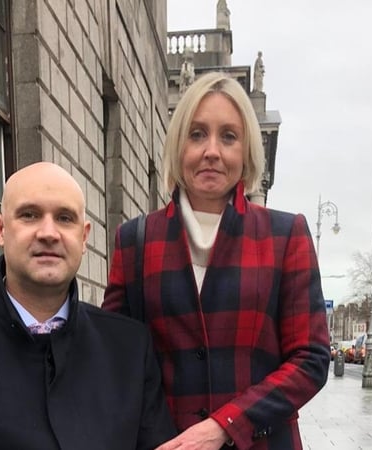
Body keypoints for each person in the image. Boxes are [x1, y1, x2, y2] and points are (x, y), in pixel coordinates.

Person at [102, 72, 330, 450]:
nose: (212, 151)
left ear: (246, 151)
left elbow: (311, 359)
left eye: (228, 136)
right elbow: (116, 358)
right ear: (178, 146)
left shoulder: (285, 235)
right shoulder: (135, 241)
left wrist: (225, 425)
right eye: (197, 134)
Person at [0, 162, 176, 449]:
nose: (48, 232)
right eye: (29, 215)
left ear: (83, 237)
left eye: (64, 218)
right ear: (0, 228)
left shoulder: (130, 348)